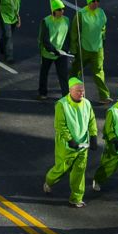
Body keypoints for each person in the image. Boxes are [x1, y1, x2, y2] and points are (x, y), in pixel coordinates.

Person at [43, 77, 97, 208]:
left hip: (83, 145)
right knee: (61, 169)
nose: (81, 94)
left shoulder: (87, 104)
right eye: (78, 91)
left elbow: (91, 121)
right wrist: (70, 140)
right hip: (66, 146)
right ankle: (49, 181)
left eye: (83, 91)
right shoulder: (61, 105)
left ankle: (76, 198)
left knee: (79, 172)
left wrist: (93, 136)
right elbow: (60, 126)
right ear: (70, 90)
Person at [70, 0, 111, 103]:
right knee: (76, 71)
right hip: (84, 48)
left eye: (97, 1)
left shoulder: (101, 13)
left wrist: (102, 37)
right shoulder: (81, 14)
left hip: (97, 49)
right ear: (88, 2)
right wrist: (73, 48)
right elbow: (74, 31)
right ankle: (71, 92)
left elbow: (103, 27)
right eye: (93, 1)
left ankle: (104, 96)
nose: (96, 3)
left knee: (99, 72)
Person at [37, 0, 73, 100]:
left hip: (62, 53)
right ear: (53, 10)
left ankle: (66, 96)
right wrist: (53, 50)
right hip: (48, 53)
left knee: (63, 75)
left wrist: (65, 49)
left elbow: (68, 36)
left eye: (63, 9)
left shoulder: (66, 20)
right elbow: (45, 39)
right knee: (44, 73)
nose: (62, 11)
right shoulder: (46, 21)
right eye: (59, 9)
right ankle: (42, 92)